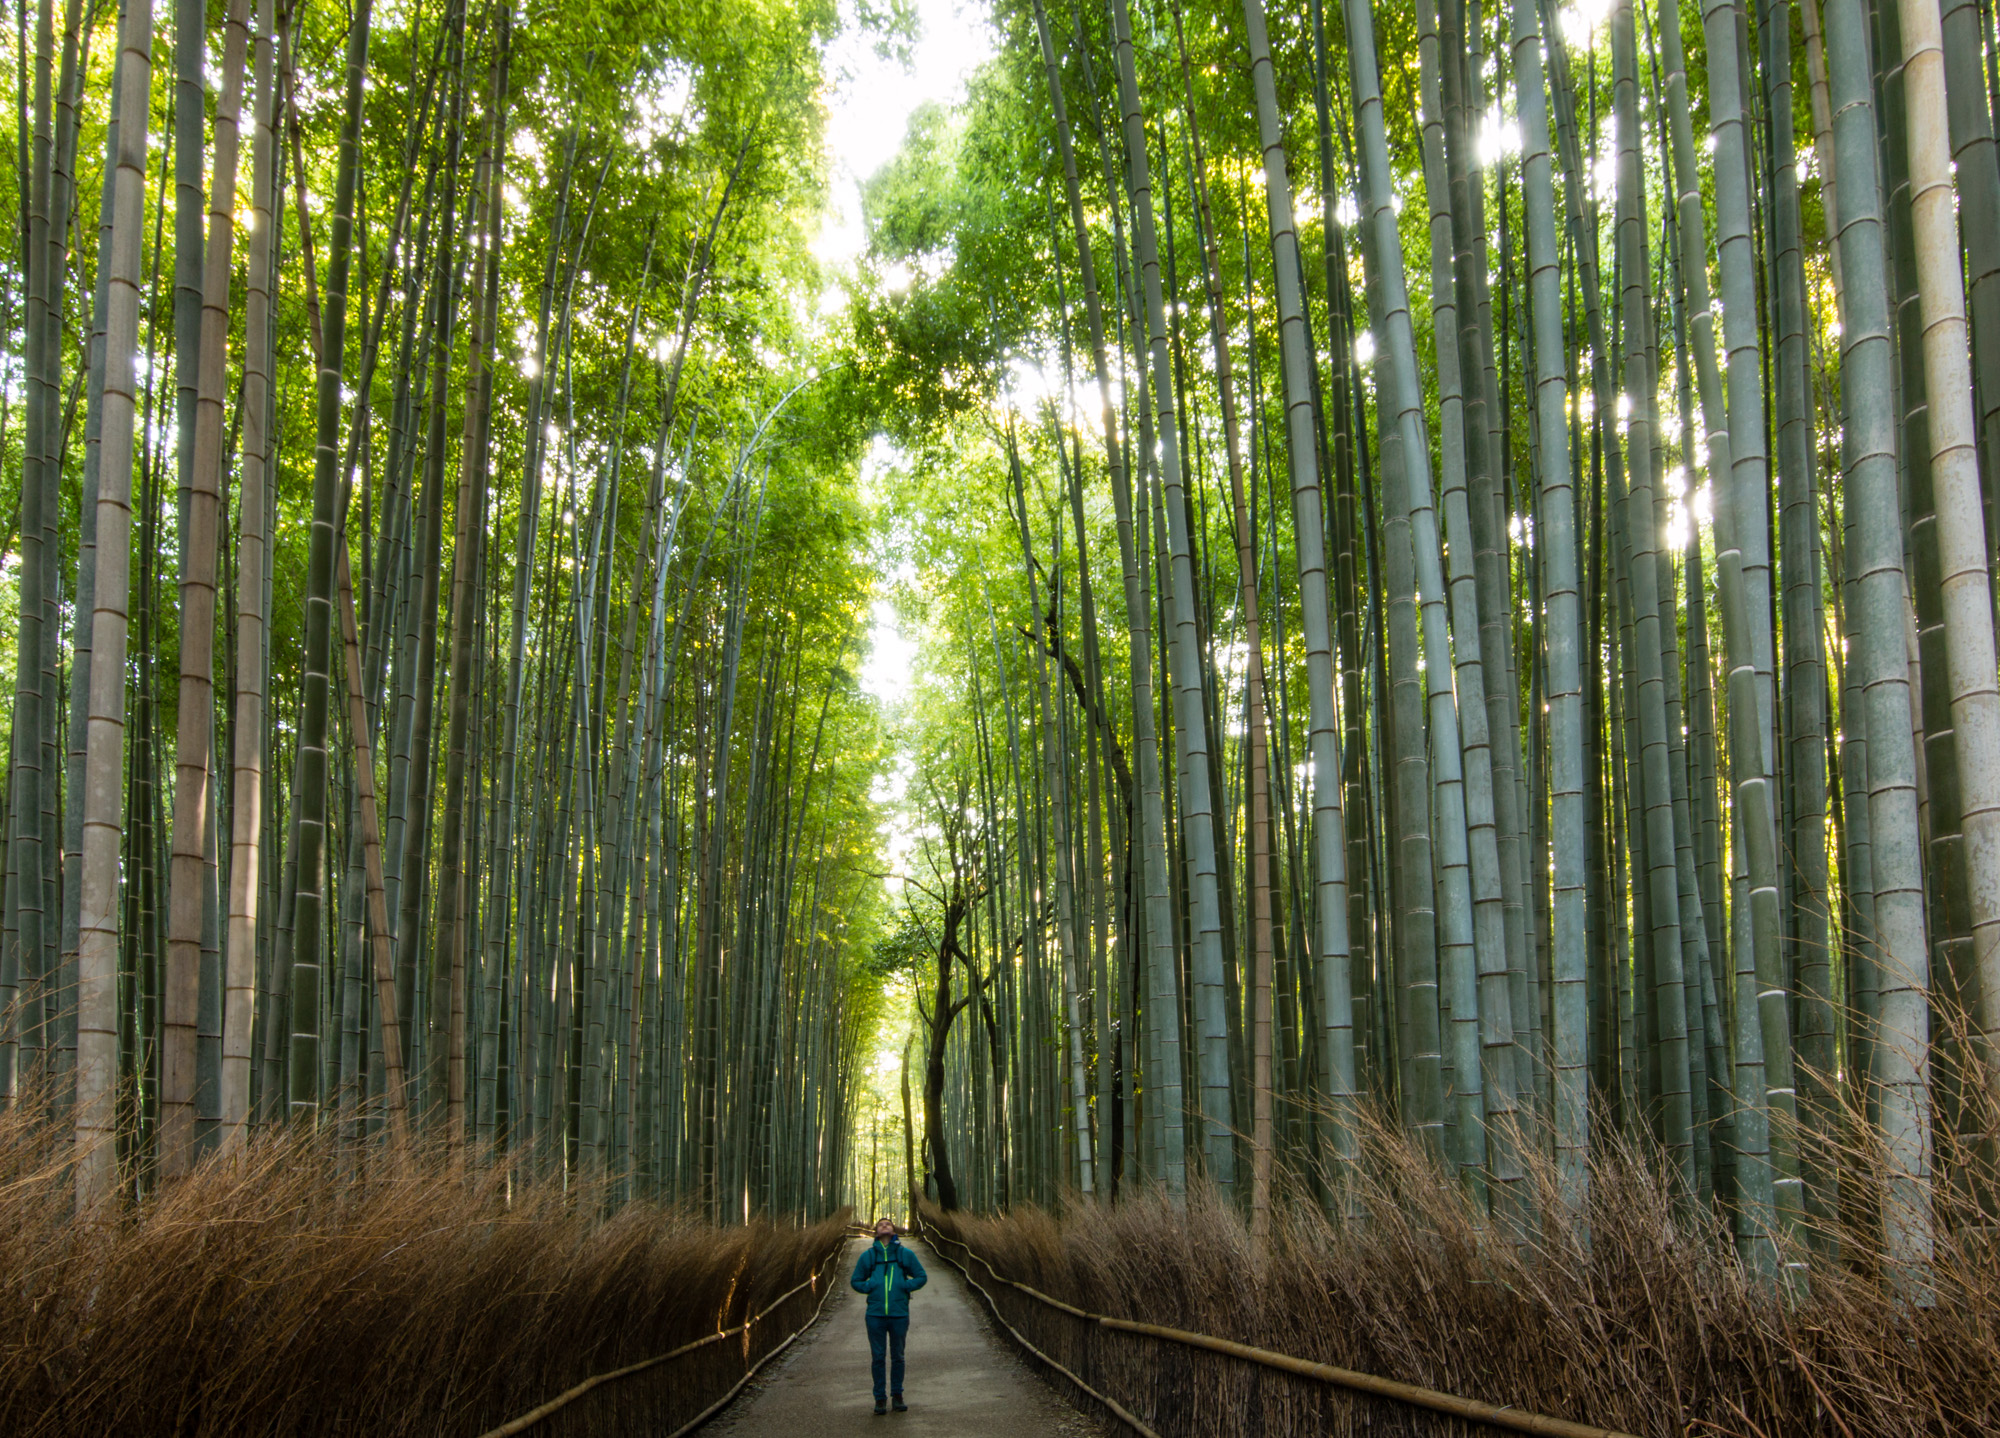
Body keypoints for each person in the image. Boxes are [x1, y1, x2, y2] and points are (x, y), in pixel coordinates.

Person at [850, 1215, 927, 1414]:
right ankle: (880, 1399)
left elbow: (921, 1276)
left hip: (899, 1313)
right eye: (881, 1224)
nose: (884, 1226)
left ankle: (897, 1395)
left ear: (893, 1231)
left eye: (888, 1224)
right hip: (875, 1314)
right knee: (878, 1357)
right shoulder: (868, 1256)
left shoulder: (904, 1254)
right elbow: (856, 1280)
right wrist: (870, 1286)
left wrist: (904, 1286)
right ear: (876, 1231)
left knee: (898, 1356)